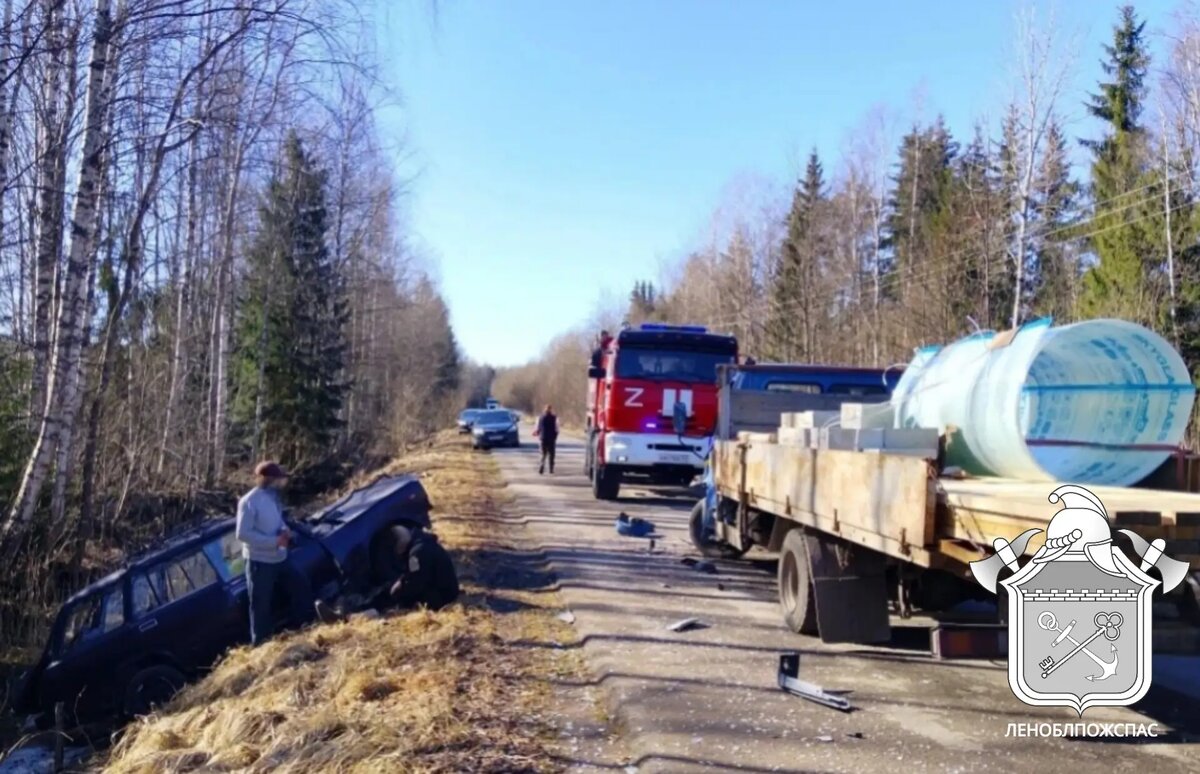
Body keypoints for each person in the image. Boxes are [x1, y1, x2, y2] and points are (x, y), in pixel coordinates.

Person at [235, 461, 316, 645]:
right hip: (260, 561)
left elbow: (276, 521)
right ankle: (261, 646)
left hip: (280, 556)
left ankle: (305, 626)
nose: (278, 482)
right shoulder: (248, 502)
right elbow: (242, 534)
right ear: (263, 479)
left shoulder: (272, 497)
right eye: (274, 479)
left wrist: (284, 530)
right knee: (260, 605)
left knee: (300, 585)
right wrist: (273, 541)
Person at [314, 524, 459, 621]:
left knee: (388, 600)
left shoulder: (418, 552)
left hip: (440, 597)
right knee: (389, 591)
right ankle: (352, 610)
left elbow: (416, 583)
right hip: (442, 590)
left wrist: (398, 589)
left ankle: (348, 617)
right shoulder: (423, 542)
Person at [533, 404, 559, 475]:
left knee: (542, 454)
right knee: (551, 454)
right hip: (551, 439)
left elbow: (537, 428)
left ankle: (541, 466)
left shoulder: (540, 418)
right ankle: (551, 469)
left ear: (544, 409)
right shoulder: (554, 418)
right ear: (551, 409)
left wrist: (536, 433)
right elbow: (557, 429)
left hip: (543, 438)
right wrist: (555, 436)